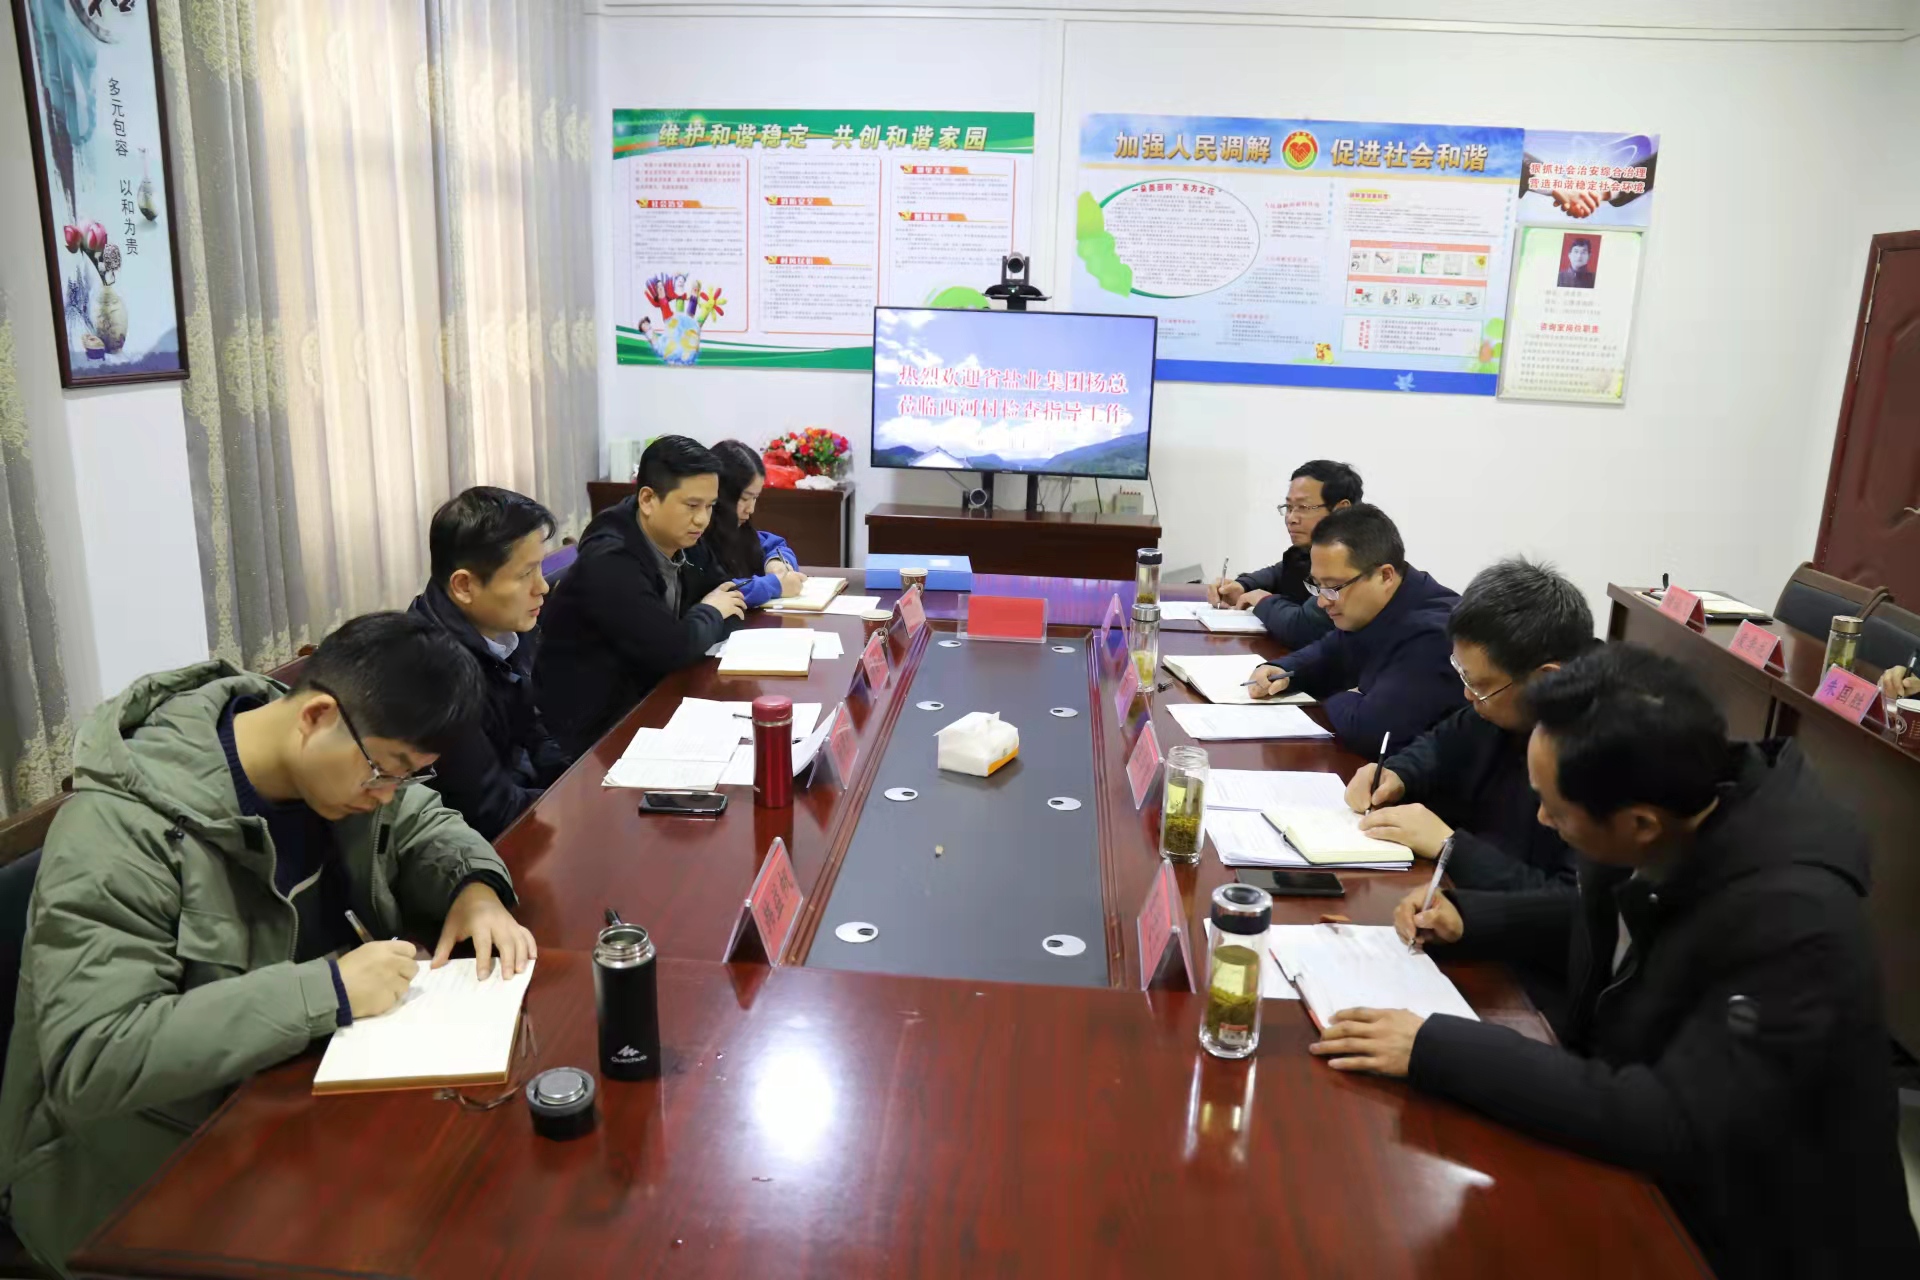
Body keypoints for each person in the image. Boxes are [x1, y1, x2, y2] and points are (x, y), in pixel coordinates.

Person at [1307, 645, 1920, 1279]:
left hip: (1763, 1242)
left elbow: (1669, 1120)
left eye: (1554, 809)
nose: (1541, 818)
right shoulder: (1678, 801)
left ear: (1640, 825)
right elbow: (1615, 920)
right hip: (1662, 1177)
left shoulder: (1795, 924)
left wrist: (1437, 1047)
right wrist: (1473, 921)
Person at [0, 613, 536, 1276]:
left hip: (294, 1104)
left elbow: (418, 820)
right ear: (315, 717)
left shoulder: (324, 757)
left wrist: (473, 886)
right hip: (140, 1176)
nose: (386, 795)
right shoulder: (119, 833)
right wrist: (328, 989)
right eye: (384, 771)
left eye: (406, 775)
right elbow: (93, 1057)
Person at [1347, 558, 1590, 892]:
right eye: (1463, 674)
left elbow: (1567, 902)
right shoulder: (1499, 709)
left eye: (1480, 685)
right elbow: (1438, 745)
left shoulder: (1601, 754)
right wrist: (1396, 775)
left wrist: (1449, 846)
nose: (1467, 694)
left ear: (1546, 679)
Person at [534, 434, 745, 759]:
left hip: (653, 696)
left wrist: (704, 619)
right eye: (692, 505)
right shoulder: (610, 559)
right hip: (594, 731)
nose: (703, 519)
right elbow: (671, 649)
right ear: (647, 500)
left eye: (710, 506)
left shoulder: (683, 535)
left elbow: (728, 597)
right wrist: (710, 614)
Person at [407, 486, 570, 840]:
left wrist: (579, 780)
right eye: (525, 574)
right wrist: (579, 804)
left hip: (522, 806)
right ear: (464, 586)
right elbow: (489, 810)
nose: (542, 586)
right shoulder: (432, 674)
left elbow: (535, 730)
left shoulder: (504, 626)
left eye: (540, 568)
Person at [1247, 505, 1460, 758]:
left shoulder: (1433, 634)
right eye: (1317, 585)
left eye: (1333, 587)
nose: (1322, 601)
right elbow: (1331, 650)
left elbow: (1372, 732)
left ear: (1385, 576)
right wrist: (1283, 670)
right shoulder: (1382, 602)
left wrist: (1336, 696)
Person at [1207, 459, 1359, 649]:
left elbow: (1302, 628)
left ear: (1341, 510)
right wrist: (1242, 586)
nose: (1291, 518)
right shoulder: (1312, 552)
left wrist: (1263, 600)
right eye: (1289, 507)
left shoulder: (1355, 558)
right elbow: (1280, 572)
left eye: (1303, 507)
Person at [696, 439, 808, 608]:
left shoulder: (738, 530)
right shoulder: (696, 534)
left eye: (755, 498)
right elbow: (718, 590)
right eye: (744, 498)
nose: (751, 509)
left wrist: (776, 563)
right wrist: (775, 585)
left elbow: (773, 544)